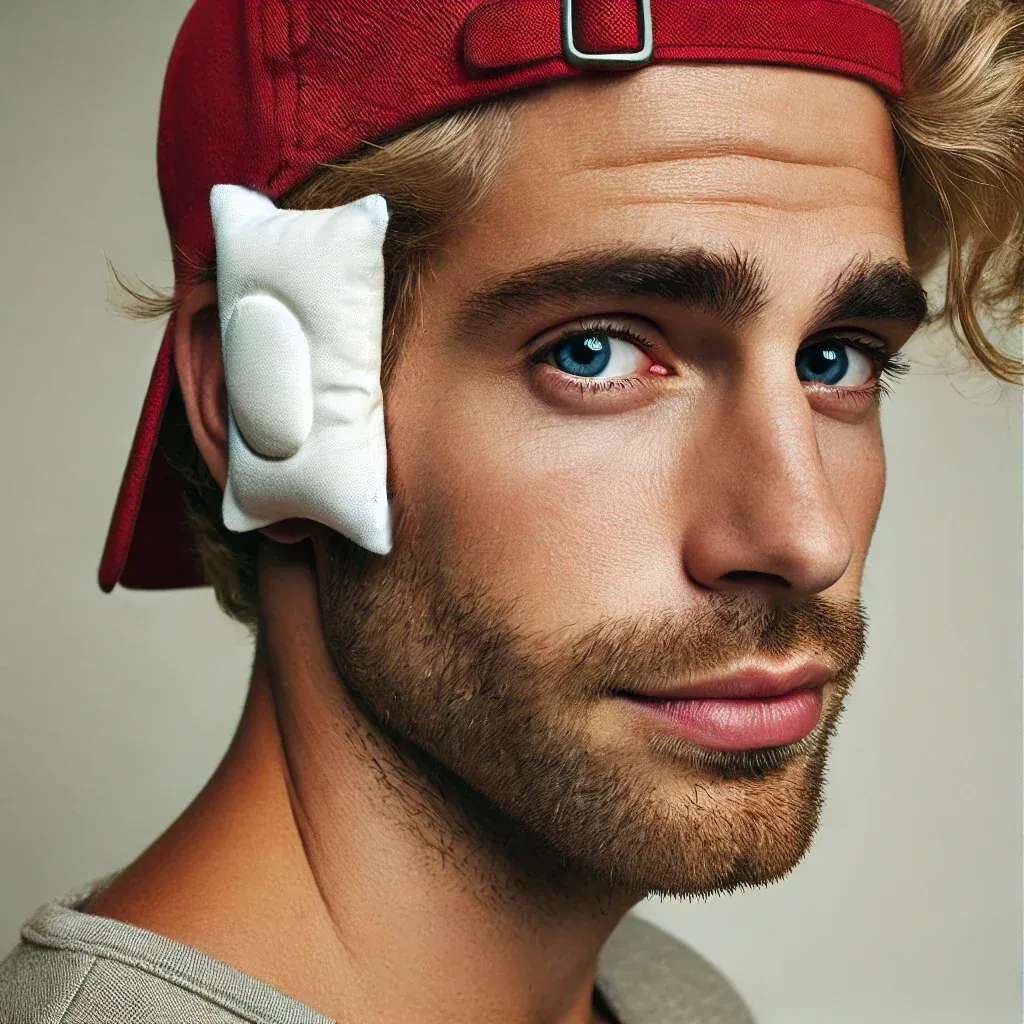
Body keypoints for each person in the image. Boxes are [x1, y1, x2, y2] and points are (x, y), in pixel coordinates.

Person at [2, 1, 1022, 1022]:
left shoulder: (673, 1000)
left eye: (834, 357)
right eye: (597, 352)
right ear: (270, 409)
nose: (806, 537)